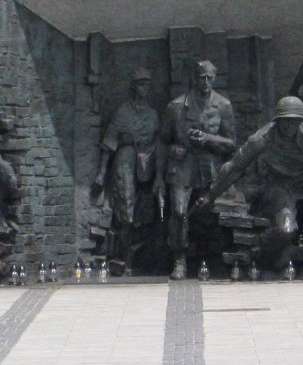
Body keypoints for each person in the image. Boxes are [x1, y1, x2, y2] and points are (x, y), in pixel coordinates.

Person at [192, 96, 303, 272]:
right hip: (280, 183)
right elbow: (234, 167)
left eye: (294, 121)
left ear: (302, 120)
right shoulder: (263, 137)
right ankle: (259, 250)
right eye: (285, 121)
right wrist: (211, 195)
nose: (288, 126)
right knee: (285, 230)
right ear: (278, 121)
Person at [155, 60, 236, 280]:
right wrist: (165, 166)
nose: (206, 82)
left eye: (210, 77)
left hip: (210, 168)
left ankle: (209, 261)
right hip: (182, 167)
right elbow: (161, 141)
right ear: (194, 78)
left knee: (209, 216)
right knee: (180, 213)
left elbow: (231, 144)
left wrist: (208, 139)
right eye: (202, 77)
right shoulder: (176, 106)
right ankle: (179, 260)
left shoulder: (223, 106)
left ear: (215, 78)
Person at [92, 67, 161, 276]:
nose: (144, 88)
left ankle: (137, 260)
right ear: (133, 86)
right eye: (141, 83)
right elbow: (109, 143)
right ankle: (122, 261)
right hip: (125, 161)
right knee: (126, 212)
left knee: (144, 214)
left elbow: (160, 142)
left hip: (147, 165)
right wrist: (102, 173)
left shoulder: (153, 115)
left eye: (147, 84)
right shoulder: (123, 112)